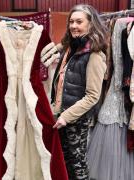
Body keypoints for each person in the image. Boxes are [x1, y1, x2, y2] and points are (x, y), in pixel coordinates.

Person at [42, 4, 108, 180]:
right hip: (61, 115)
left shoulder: (94, 55)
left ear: (90, 25)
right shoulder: (72, 47)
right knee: (62, 160)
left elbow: (93, 96)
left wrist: (66, 117)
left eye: (79, 22)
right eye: (71, 21)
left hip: (75, 119)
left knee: (77, 164)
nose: (73, 26)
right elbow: (63, 46)